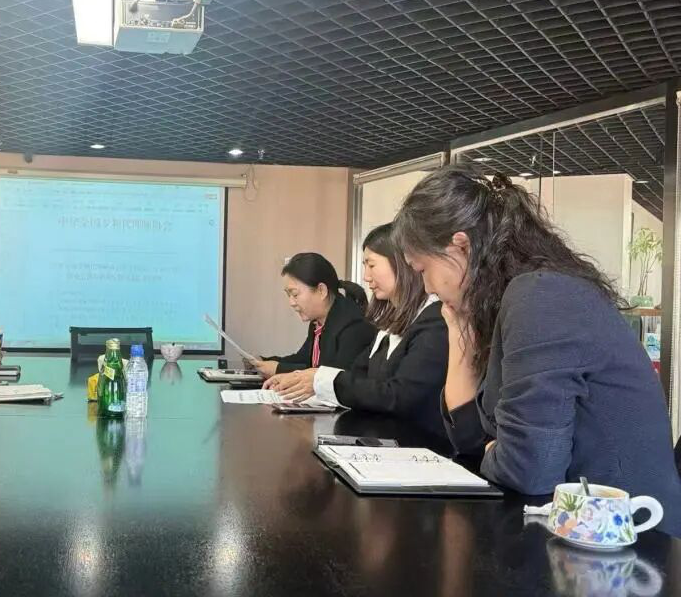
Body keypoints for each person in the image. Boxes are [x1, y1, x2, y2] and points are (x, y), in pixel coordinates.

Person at [393, 166, 681, 535]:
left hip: (630, 540)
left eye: (422, 270)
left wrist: (498, 450)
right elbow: (470, 441)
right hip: (574, 529)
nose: (427, 288)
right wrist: (457, 329)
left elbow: (530, 469)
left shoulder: (540, 295)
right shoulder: (514, 298)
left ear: (461, 246)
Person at [271, 223, 448, 439]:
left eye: (371, 265)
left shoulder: (435, 320)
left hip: (416, 445)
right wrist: (313, 379)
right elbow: (357, 374)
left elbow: (400, 395)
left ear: (402, 262)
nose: (366, 277)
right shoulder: (389, 323)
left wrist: (322, 380)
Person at [255, 252, 376, 393]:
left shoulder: (354, 326)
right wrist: (263, 361)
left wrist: (278, 369)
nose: (291, 303)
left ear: (321, 290)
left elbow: (333, 377)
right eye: (288, 295)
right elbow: (304, 360)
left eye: (295, 294)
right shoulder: (318, 322)